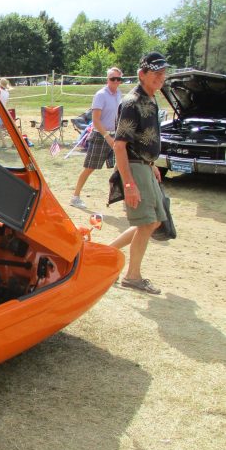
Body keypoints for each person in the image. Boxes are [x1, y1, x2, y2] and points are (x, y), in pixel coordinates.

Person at [109, 52, 169, 295]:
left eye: (163, 73)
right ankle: (132, 276)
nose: (161, 77)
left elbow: (141, 140)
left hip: (144, 166)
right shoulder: (132, 102)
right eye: (156, 73)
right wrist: (129, 184)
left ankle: (107, 253)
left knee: (154, 221)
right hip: (134, 167)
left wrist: (151, 164)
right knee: (146, 223)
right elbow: (119, 145)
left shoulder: (151, 100)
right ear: (142, 74)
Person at [70, 67, 124, 209]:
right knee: (90, 167)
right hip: (100, 136)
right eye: (113, 79)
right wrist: (107, 137)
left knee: (122, 166)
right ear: (107, 79)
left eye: (118, 79)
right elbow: (95, 120)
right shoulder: (101, 95)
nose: (116, 81)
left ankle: (123, 198)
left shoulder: (119, 94)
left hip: (115, 135)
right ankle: (75, 197)